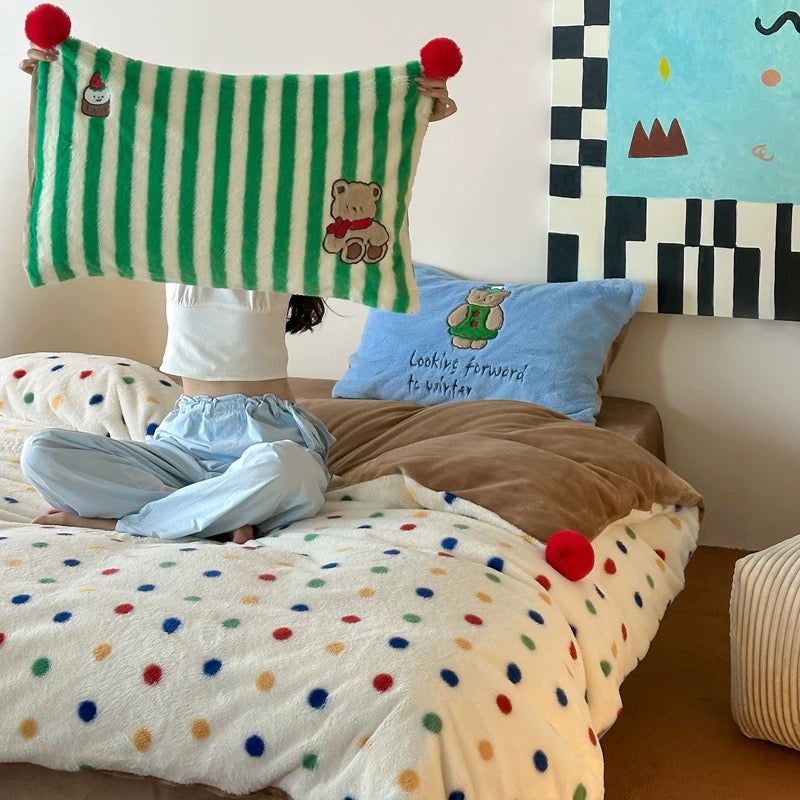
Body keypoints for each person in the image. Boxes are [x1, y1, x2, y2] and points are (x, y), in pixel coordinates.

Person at [18, 44, 457, 545]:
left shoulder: (277, 248)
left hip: (265, 438)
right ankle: (217, 509)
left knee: (287, 471)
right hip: (183, 442)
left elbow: (344, 156)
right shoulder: (167, 243)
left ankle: (132, 523)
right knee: (42, 451)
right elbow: (112, 153)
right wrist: (52, 83)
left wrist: (423, 106)